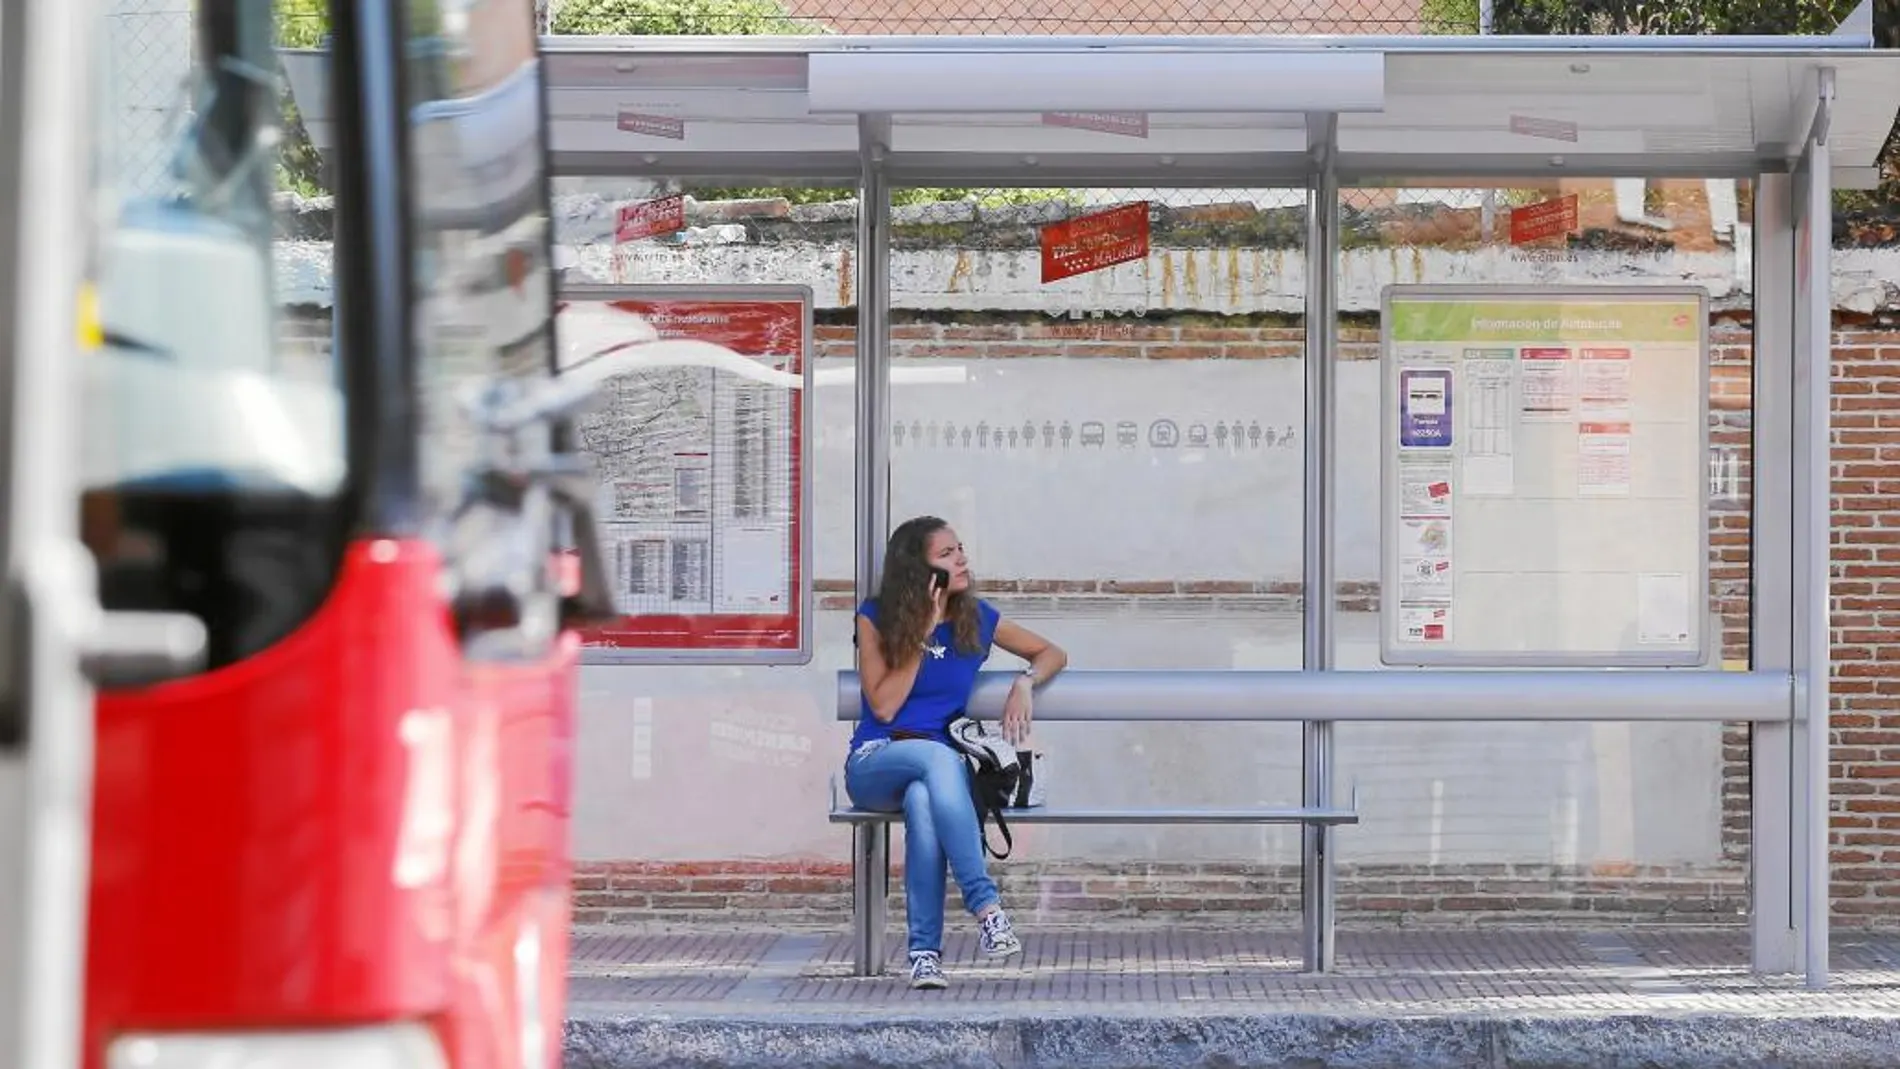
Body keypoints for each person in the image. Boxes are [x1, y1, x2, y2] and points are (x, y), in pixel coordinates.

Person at [845, 515, 1067, 989]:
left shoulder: (976, 619)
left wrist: (1024, 683)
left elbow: (1052, 653)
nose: (961, 559)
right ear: (917, 568)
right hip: (876, 761)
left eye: (960, 549)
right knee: (940, 758)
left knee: (926, 801)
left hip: (933, 778)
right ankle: (986, 906)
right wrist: (922, 635)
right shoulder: (875, 616)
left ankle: (924, 955)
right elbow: (883, 707)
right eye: (946, 554)